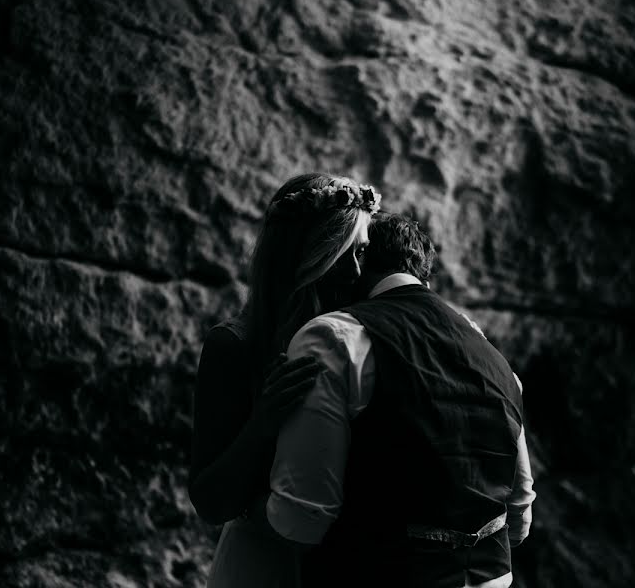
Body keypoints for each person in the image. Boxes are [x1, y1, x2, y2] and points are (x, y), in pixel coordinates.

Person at [265, 213, 536, 587]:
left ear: (357, 263)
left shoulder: (333, 337)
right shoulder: (486, 349)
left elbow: (301, 519)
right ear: (423, 272)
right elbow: (519, 516)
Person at [190, 173, 381, 587]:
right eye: (339, 252)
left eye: (361, 252)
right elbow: (209, 500)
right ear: (305, 255)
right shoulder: (234, 345)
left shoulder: (367, 342)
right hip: (262, 563)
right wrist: (263, 423)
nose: (353, 270)